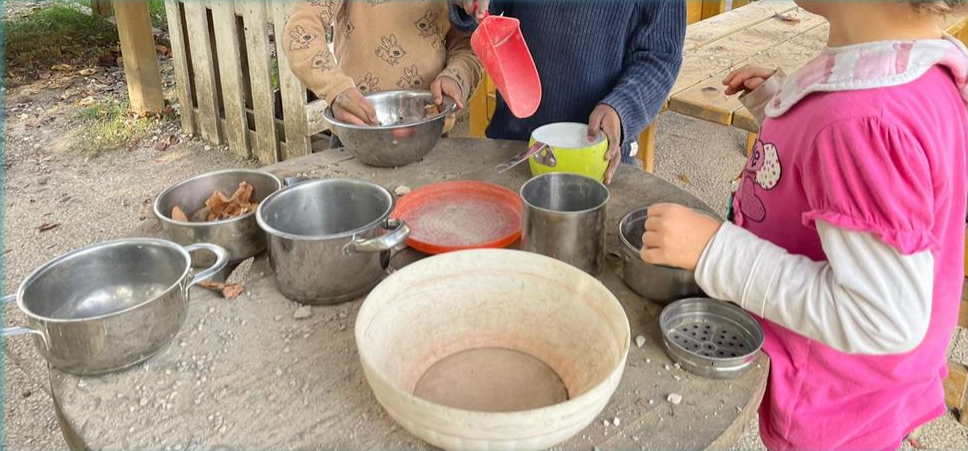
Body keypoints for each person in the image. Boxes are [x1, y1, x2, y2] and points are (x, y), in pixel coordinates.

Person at [638, 1, 968, 449]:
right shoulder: (922, 65)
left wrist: (713, 250)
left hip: (840, 409)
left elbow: (882, 316)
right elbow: (858, 176)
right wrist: (784, 107)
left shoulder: (861, 121)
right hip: (878, 391)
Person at [450, 0, 685, 183]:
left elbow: (660, 56)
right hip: (514, 147)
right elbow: (481, 11)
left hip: (594, 157)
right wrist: (469, 6)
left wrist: (620, 108)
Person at [283, 0, 482, 144]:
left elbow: (468, 43)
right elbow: (301, 30)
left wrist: (457, 76)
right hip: (356, 134)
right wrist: (336, 89)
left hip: (430, 134)